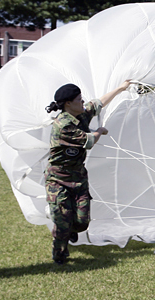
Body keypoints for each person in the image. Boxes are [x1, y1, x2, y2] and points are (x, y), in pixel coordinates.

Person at [44, 80, 133, 264]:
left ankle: (70, 231)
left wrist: (120, 88)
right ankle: (59, 255)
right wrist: (100, 130)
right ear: (68, 104)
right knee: (62, 220)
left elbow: (99, 103)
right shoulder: (63, 125)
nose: (82, 102)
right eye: (78, 99)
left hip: (78, 177)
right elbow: (89, 141)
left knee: (82, 222)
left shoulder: (82, 114)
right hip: (58, 179)